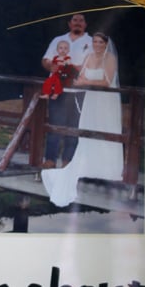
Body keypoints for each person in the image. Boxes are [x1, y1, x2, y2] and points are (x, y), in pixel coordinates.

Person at [42, 32, 124, 208]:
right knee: (87, 130)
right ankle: (89, 166)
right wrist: (83, 81)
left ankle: (107, 167)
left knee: (104, 130)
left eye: (100, 42)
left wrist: (87, 81)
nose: (97, 45)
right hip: (90, 100)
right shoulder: (88, 56)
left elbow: (107, 81)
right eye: (94, 41)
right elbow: (79, 79)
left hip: (106, 101)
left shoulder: (109, 58)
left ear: (106, 43)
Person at [41, 13, 92, 168]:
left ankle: (67, 162)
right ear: (69, 24)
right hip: (59, 90)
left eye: (81, 21)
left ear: (85, 24)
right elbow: (45, 60)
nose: (78, 23)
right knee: (55, 125)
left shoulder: (90, 42)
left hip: (79, 91)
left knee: (74, 127)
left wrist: (77, 68)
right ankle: (50, 159)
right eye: (75, 20)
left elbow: (93, 64)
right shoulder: (58, 40)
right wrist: (51, 66)